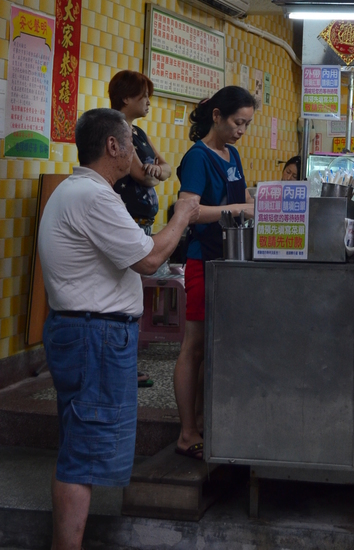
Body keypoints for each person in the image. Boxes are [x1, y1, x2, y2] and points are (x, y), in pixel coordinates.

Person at [39, 108, 199, 550]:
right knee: (82, 453)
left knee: (80, 445)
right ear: (113, 146)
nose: (137, 151)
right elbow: (148, 259)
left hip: (84, 331)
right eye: (132, 141)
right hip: (94, 335)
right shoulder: (95, 197)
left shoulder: (76, 191)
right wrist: (182, 214)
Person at [173, 86, 256, 459]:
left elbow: (243, 200)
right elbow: (188, 210)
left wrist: (259, 202)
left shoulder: (232, 153)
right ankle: (187, 432)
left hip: (229, 259)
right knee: (194, 347)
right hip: (202, 259)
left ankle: (206, 421)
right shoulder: (197, 157)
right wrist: (240, 208)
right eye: (238, 122)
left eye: (247, 124)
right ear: (217, 115)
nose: (241, 130)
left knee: (214, 347)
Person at [109, 69, 172, 388]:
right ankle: (123, 365)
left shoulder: (139, 133)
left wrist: (157, 172)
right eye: (143, 95)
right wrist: (155, 173)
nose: (148, 101)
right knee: (124, 294)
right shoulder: (116, 130)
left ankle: (126, 363)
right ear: (126, 98)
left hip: (142, 222)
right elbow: (140, 175)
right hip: (126, 220)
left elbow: (167, 167)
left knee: (132, 293)